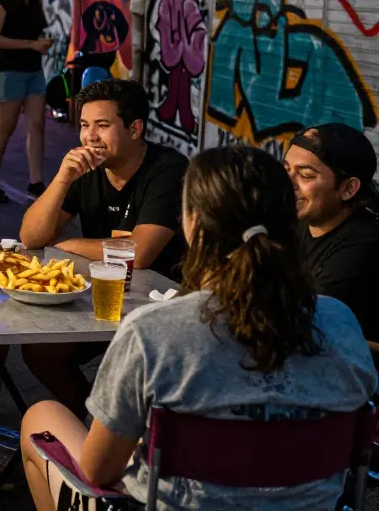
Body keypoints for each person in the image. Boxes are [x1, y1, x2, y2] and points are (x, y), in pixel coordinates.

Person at [20, 145, 377, 511]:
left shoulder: (151, 332)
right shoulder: (340, 322)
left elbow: (96, 471)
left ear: (192, 222)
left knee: (41, 416)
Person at [18, 79, 188, 416]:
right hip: (104, 303)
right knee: (39, 350)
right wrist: (63, 178)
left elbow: (139, 253)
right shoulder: (85, 168)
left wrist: (69, 244)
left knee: (123, 363)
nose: (89, 136)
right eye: (84, 125)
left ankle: (110, 431)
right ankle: (94, 423)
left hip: (160, 310)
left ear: (135, 128)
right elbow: (31, 237)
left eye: (102, 125)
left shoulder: (169, 169)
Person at [284, 123, 379, 357]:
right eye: (286, 170)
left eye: (305, 175)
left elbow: (292, 323)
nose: (288, 184)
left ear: (348, 188)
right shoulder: (298, 218)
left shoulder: (365, 244)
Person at [0, 0, 53, 202]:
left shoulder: (33, 0)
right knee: (6, 127)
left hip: (34, 72)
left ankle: (36, 182)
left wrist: (41, 44)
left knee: (37, 127)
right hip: (8, 73)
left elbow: (35, 35)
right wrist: (29, 45)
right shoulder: (2, 2)